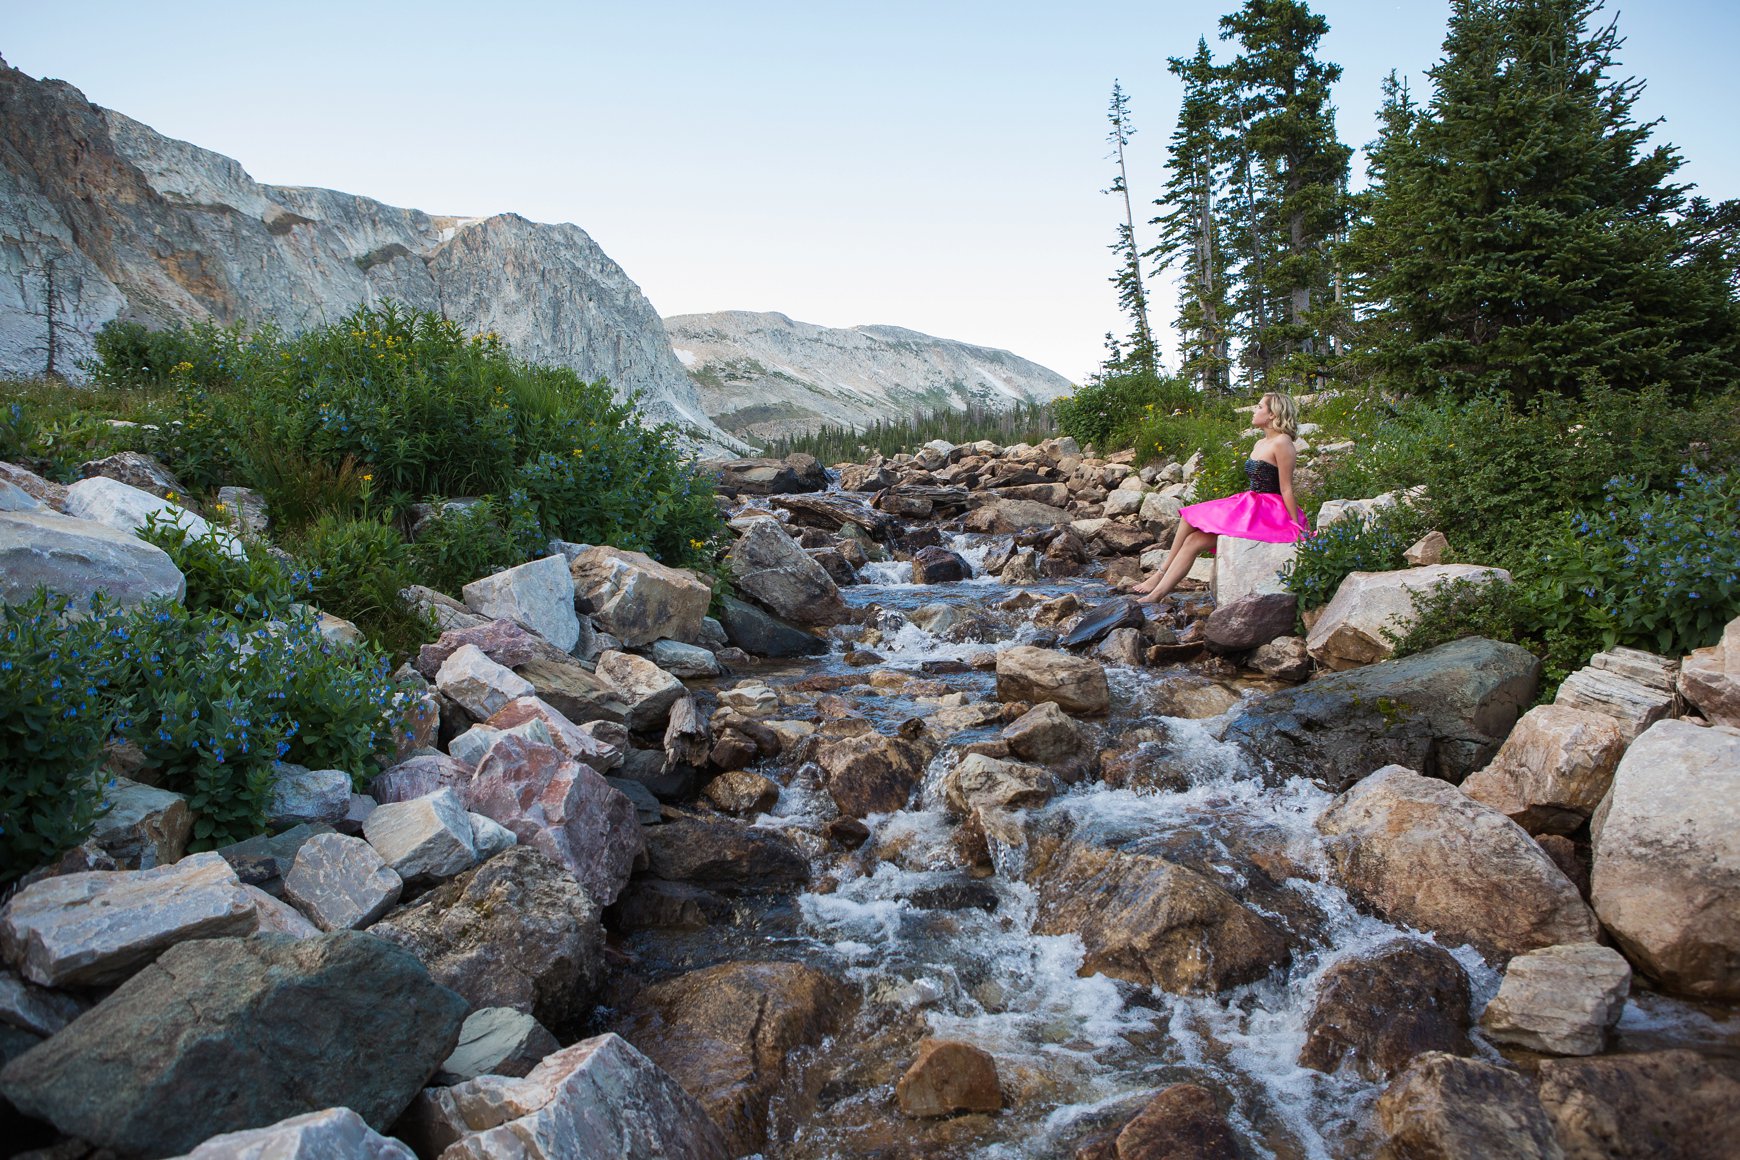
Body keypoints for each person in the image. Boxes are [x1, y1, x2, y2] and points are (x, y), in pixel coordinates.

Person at [1134, 390, 1308, 606]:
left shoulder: (1283, 443)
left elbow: (1287, 489)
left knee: (1193, 533)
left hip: (1268, 512)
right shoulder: (1260, 443)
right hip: (1250, 504)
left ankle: (1156, 590)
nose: (1255, 410)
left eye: (1260, 407)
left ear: (1273, 414)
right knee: (1191, 532)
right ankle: (1158, 585)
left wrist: (1295, 524)